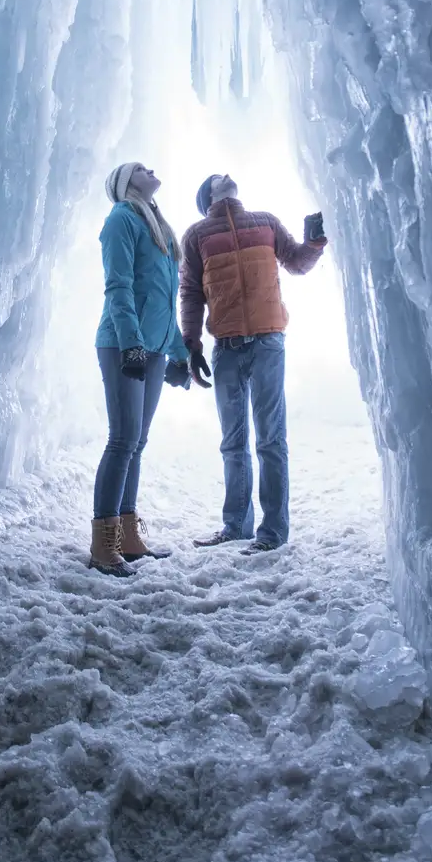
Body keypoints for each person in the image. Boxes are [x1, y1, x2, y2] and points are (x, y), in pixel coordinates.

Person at [179, 173, 328, 554]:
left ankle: (272, 533)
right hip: (226, 348)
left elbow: (296, 263)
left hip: (268, 343)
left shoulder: (265, 221)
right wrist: (191, 345)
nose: (226, 176)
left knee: (271, 440)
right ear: (207, 196)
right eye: (215, 178)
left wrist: (313, 242)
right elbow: (191, 294)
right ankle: (236, 527)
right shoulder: (197, 236)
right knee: (233, 443)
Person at [91, 161, 193, 577]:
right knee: (122, 439)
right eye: (139, 167)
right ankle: (103, 546)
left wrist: (179, 353)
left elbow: (163, 301)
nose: (150, 168)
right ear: (123, 183)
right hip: (121, 343)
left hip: (150, 348)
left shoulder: (160, 228)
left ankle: (129, 536)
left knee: (138, 441)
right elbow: (119, 287)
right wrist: (132, 344)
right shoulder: (120, 219)